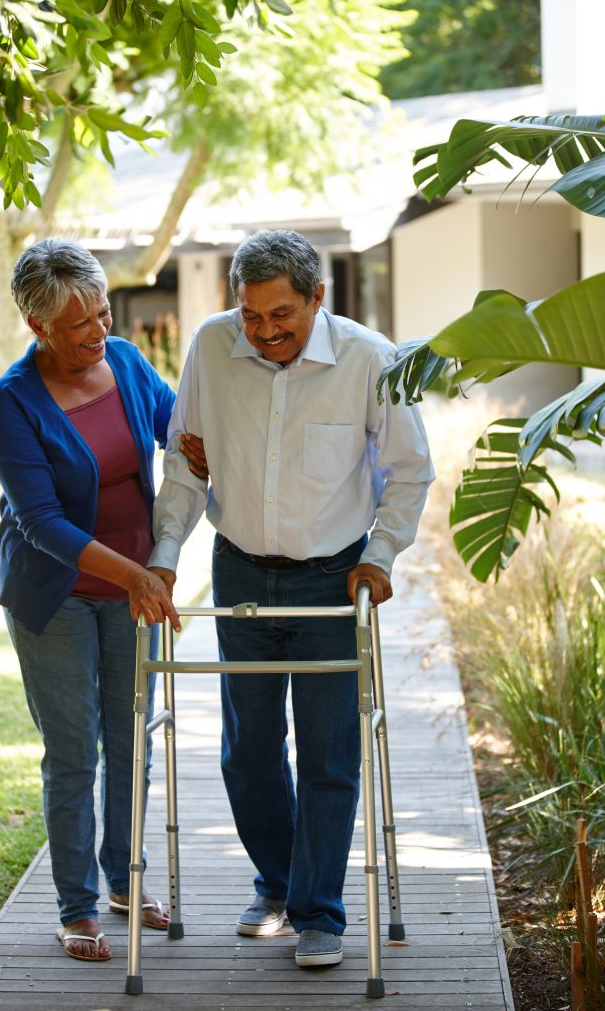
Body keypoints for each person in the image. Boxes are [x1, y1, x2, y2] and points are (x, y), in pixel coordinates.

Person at [148, 229, 435, 968]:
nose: (266, 332)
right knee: (246, 753)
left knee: (329, 751)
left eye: (283, 315)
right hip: (240, 569)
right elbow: (185, 465)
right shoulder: (212, 349)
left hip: (330, 577)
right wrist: (165, 556)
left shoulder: (371, 359)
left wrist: (379, 556)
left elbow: (408, 470)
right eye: (252, 316)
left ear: (318, 298)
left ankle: (318, 913)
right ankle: (277, 883)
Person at [0, 238, 205, 963]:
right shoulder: (10, 402)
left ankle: (123, 880)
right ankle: (76, 907)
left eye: (102, 314)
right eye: (79, 325)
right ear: (38, 327)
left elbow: (176, 427)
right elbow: (40, 520)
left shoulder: (130, 365)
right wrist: (134, 574)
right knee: (75, 753)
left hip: (132, 589)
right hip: (57, 595)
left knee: (130, 742)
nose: (97, 333)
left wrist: (198, 445)